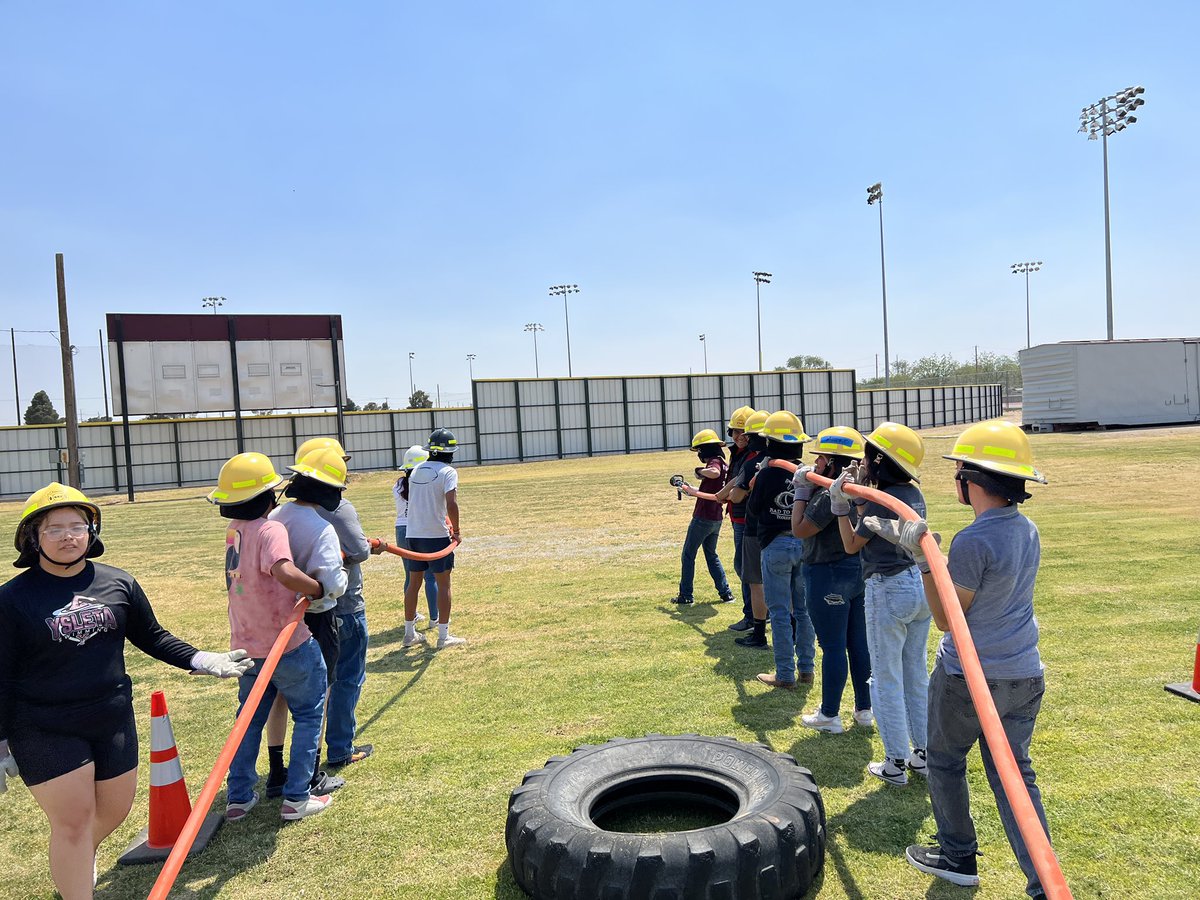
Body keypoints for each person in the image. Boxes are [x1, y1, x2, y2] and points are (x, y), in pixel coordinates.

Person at [0, 483, 252, 899]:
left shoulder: (119, 583)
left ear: (92, 532)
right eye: (54, 528)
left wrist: (201, 659)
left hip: (111, 716)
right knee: (75, 821)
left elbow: (152, 636)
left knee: (112, 813)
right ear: (32, 538)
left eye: (77, 526)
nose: (68, 536)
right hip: (44, 726)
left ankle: (76, 859)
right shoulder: (12, 600)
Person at [880, 420, 1054, 896]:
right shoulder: (1027, 529)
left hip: (970, 679)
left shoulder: (973, 541)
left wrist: (921, 556)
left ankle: (957, 856)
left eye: (958, 469)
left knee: (946, 760)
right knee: (1016, 778)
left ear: (972, 480)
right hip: (1024, 673)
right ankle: (1043, 880)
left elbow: (946, 618)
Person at [209, 452, 344, 823]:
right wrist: (317, 588)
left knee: (249, 720)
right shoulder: (271, 530)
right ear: (270, 495)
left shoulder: (235, 530)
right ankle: (297, 797)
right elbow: (283, 571)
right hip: (287, 643)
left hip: (246, 645)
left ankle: (238, 798)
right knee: (309, 712)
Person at [831, 421, 930, 785]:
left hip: (888, 589)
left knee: (885, 678)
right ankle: (922, 754)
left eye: (869, 455)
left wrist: (841, 508)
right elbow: (871, 523)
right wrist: (859, 500)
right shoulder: (911, 494)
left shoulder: (880, 497)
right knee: (915, 674)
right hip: (918, 586)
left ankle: (894, 763)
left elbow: (852, 545)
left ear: (879, 460)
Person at [268, 446, 351, 798]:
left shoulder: (271, 519)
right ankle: (311, 773)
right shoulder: (320, 528)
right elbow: (332, 583)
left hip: (271, 619)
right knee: (318, 696)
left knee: (276, 695)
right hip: (315, 621)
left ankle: (275, 771)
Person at [792, 426, 873, 731]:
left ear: (827, 460)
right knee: (858, 644)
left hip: (827, 573)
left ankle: (829, 715)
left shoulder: (831, 493)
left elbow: (800, 529)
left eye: (819, 460)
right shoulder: (859, 486)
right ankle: (864, 709)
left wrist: (801, 490)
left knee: (834, 647)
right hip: (856, 571)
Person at [311, 442, 375, 772]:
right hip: (346, 608)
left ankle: (303, 759)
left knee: (317, 685)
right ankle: (339, 749)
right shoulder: (339, 508)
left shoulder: (292, 511)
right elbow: (359, 550)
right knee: (347, 679)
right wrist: (364, 548)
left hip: (311, 610)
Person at [750, 410, 817, 689]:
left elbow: (753, 509)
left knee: (778, 611)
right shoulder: (809, 473)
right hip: (803, 543)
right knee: (803, 610)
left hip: (775, 545)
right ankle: (807, 669)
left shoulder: (767, 473)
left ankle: (785, 674)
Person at [402, 428, 465, 649]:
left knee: (413, 583)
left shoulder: (417, 469)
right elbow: (451, 503)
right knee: (443, 584)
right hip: (437, 535)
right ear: (451, 452)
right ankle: (443, 636)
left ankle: (409, 633)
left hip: (413, 534)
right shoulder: (448, 472)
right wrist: (456, 530)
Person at [670, 429, 734, 605]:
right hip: (716, 517)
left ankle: (686, 595)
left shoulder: (714, 462)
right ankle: (726, 593)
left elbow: (713, 472)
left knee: (688, 555)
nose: (699, 454)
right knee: (711, 555)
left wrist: (699, 470)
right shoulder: (725, 463)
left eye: (699, 450)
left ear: (706, 449)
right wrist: (690, 489)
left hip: (703, 517)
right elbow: (712, 491)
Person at [394, 444, 438, 624]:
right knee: (430, 576)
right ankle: (435, 617)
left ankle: (411, 616)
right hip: (420, 529)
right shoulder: (425, 483)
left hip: (401, 529)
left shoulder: (398, 484)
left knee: (410, 577)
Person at [720, 407, 755, 629]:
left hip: (747, 519)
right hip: (737, 517)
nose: (737, 436)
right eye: (734, 431)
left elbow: (738, 488)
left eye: (742, 432)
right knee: (744, 567)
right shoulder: (738, 453)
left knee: (746, 568)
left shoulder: (753, 457)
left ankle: (752, 615)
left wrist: (724, 495)